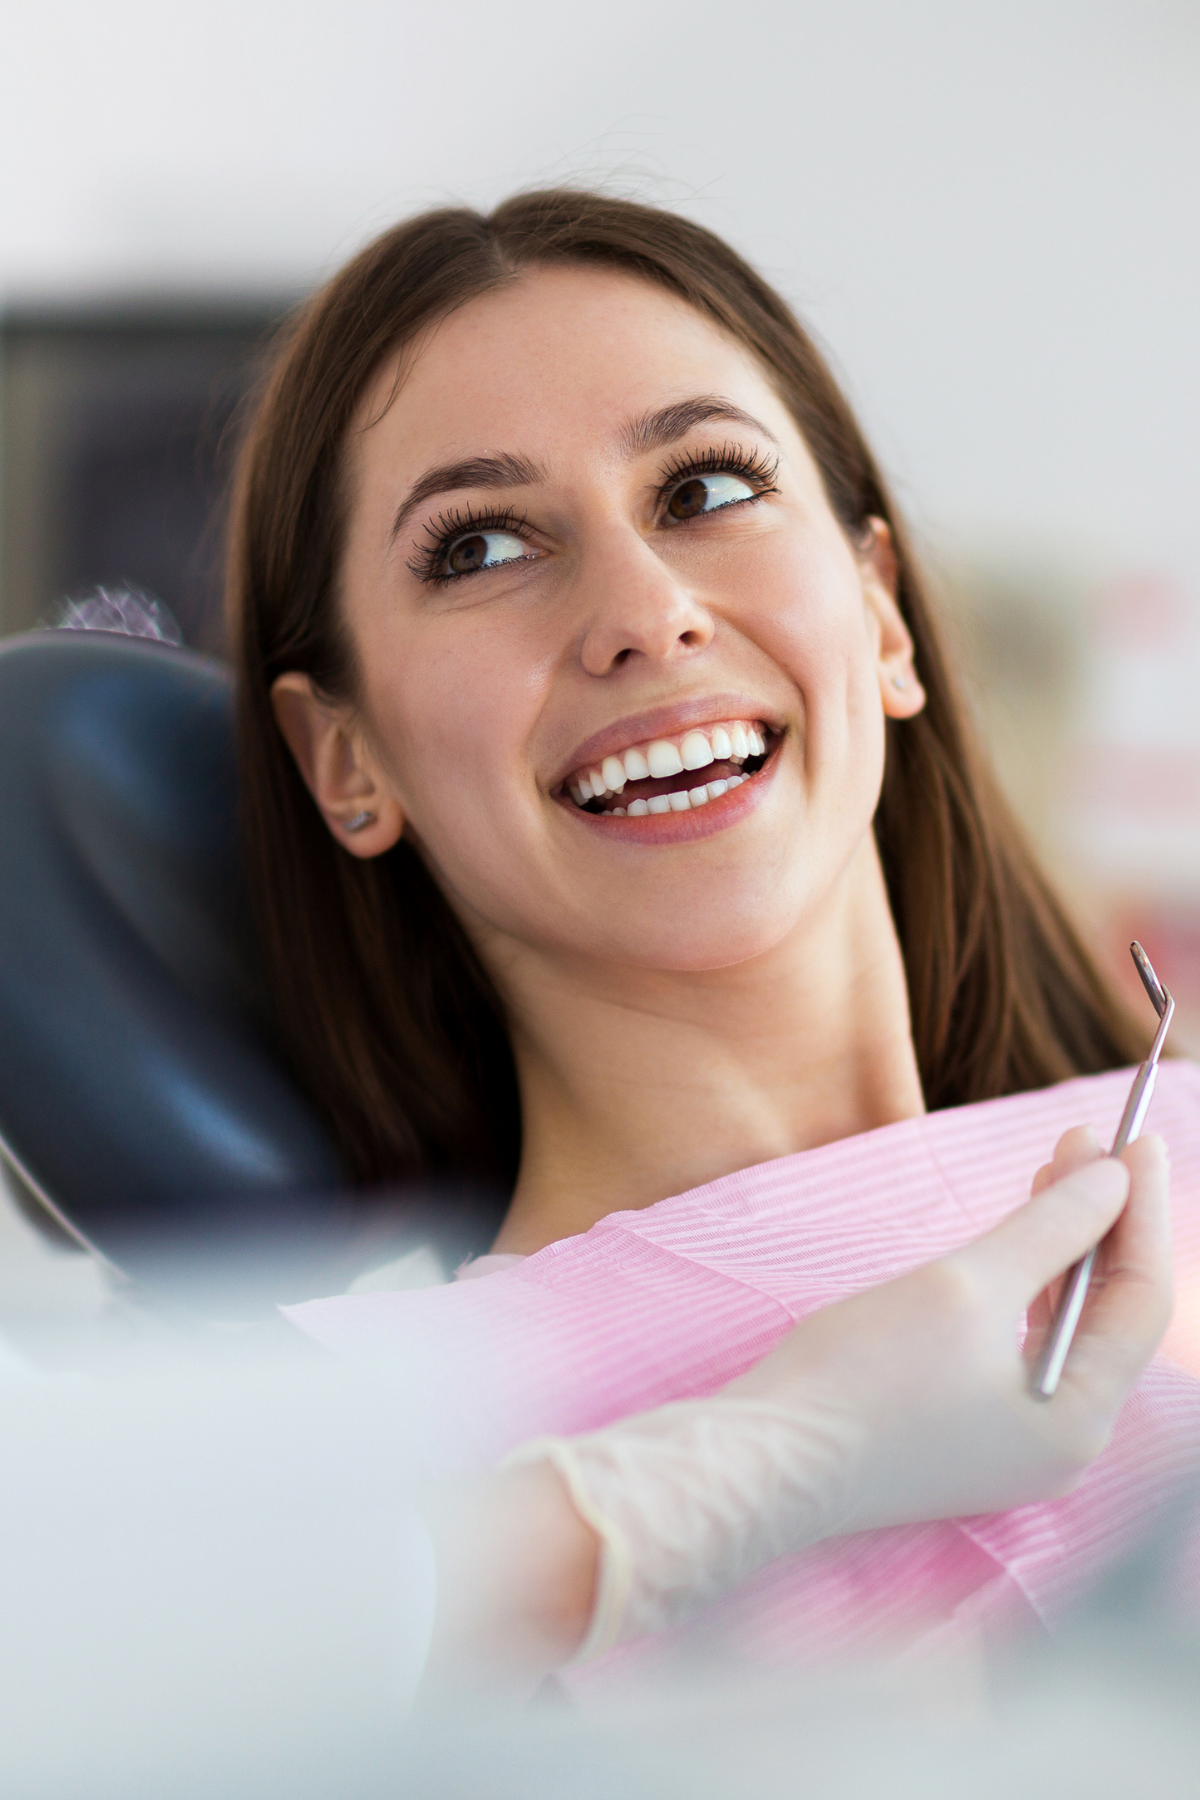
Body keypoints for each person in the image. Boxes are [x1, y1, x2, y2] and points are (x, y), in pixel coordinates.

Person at [225, 190, 1196, 1690]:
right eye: (480, 544)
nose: (643, 610)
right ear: (344, 760)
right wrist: (751, 1472)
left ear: (881, 620)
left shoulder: (1167, 1136)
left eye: (704, 489)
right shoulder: (362, 1444)